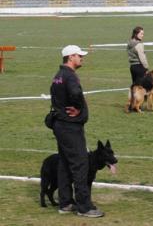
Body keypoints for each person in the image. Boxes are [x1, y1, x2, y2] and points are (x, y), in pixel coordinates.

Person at [50, 45, 104, 218]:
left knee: (65, 163)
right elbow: (75, 93)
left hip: (60, 125)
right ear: (71, 57)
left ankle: (65, 202)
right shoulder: (70, 77)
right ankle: (84, 206)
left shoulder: (57, 76)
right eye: (80, 55)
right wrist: (80, 109)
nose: (82, 58)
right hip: (70, 127)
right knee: (81, 164)